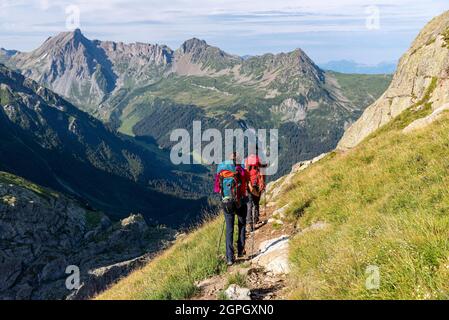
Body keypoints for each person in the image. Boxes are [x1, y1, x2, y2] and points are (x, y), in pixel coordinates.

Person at [215, 153, 248, 266]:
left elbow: (216, 188)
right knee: (242, 224)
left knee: (229, 230)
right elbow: (245, 184)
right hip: (240, 201)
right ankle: (240, 250)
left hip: (226, 202)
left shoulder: (221, 169)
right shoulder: (241, 170)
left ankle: (229, 258)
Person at [245, 154, 265, 232]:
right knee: (256, 202)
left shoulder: (247, 163)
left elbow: (245, 175)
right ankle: (256, 219)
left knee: (249, 204)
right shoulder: (259, 163)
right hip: (257, 185)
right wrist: (262, 184)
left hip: (248, 186)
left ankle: (249, 223)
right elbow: (262, 175)